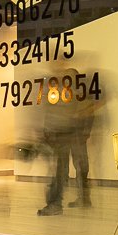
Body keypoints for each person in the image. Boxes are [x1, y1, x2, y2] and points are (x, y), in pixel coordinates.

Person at [35, 67, 98, 216]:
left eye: (68, 77)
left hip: (74, 137)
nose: (65, 81)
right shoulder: (66, 96)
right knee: (66, 167)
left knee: (79, 166)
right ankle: (79, 198)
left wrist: (84, 134)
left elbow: (89, 113)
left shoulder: (79, 95)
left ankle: (80, 198)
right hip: (66, 136)